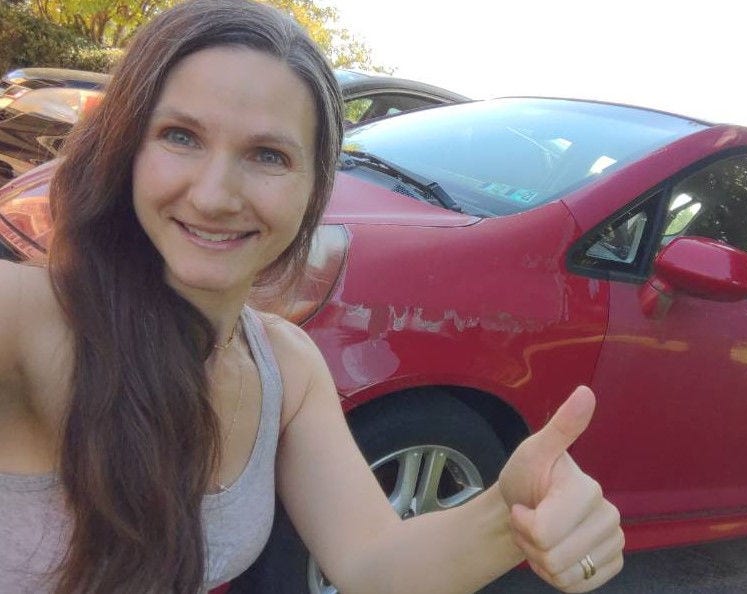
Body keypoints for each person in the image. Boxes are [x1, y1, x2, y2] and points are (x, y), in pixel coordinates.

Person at [0, 0, 624, 592]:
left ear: (313, 189)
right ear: (127, 149)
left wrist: (510, 515)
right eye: (180, 136)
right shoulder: (30, 318)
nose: (215, 194)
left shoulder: (287, 368)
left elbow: (374, 565)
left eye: (268, 155)